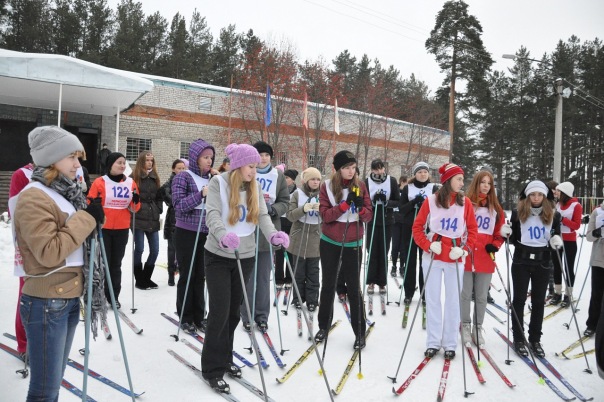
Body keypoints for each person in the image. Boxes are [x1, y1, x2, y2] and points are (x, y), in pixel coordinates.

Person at [13, 126, 104, 401]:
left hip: (67, 299)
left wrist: (90, 218)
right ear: (52, 159)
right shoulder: (33, 196)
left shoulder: (66, 193)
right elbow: (49, 251)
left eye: (78, 158)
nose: (78, 164)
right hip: (45, 304)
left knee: (53, 383)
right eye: (72, 157)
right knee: (45, 391)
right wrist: (86, 219)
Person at [201, 143, 288, 393]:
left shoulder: (254, 185)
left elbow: (261, 216)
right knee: (219, 311)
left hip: (246, 254)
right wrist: (221, 235)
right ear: (239, 165)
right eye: (251, 166)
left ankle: (225, 357)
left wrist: (272, 235)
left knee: (233, 313)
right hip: (218, 254)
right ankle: (212, 368)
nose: (255, 169)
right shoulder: (220, 183)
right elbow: (213, 214)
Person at [412, 163, 477, 359]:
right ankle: (433, 342)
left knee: (453, 301)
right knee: (432, 300)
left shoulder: (465, 203)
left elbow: (473, 231)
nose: (461, 182)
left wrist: (464, 250)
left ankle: (450, 343)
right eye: (458, 178)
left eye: (462, 178)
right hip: (433, 256)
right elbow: (417, 227)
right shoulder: (431, 201)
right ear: (448, 181)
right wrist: (427, 245)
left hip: (454, 257)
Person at [315, 150, 372, 349]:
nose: (350, 171)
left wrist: (361, 209)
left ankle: (359, 331)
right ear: (337, 169)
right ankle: (323, 325)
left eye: (353, 167)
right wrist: (344, 205)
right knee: (328, 285)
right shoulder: (327, 187)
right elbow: (325, 215)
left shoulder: (361, 186)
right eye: (346, 167)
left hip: (353, 242)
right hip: (330, 241)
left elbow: (368, 216)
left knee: (354, 288)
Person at [505, 180, 562, 357]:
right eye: (533, 194)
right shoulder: (517, 214)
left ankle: (535, 338)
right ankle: (519, 338)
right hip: (521, 261)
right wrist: (507, 233)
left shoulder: (553, 215)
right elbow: (513, 238)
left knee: (538, 302)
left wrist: (556, 241)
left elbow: (555, 235)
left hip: (542, 262)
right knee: (519, 300)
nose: (536, 198)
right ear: (527, 196)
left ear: (545, 197)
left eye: (539, 195)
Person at [240, 141, 289, 331]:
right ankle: (246, 314)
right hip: (247, 230)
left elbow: (285, 201)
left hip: (268, 231)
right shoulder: (245, 174)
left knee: (262, 278)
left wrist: (274, 210)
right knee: (247, 277)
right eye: (259, 155)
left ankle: (261, 316)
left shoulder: (278, 175)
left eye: (267, 155)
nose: (263, 158)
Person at [172, 140, 218, 333]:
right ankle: (185, 315)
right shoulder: (184, 177)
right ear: (195, 158)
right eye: (205, 157)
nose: (209, 161)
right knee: (188, 275)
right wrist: (200, 195)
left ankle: (200, 316)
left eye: (211, 158)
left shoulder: (212, 179)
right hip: (186, 232)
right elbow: (179, 205)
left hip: (206, 232)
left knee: (201, 276)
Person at [88, 152, 140, 309]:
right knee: (103, 263)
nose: (123, 166)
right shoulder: (99, 182)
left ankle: (113, 296)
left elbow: (135, 208)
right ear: (110, 165)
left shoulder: (131, 183)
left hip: (122, 229)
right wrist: (94, 205)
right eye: (119, 163)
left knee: (115, 264)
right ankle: (97, 295)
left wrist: (136, 201)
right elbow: (89, 201)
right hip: (103, 228)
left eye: (124, 163)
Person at [461, 170, 505, 347]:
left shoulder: (496, 208)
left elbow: (500, 232)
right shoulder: (466, 204)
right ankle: (464, 325)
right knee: (465, 294)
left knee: (481, 296)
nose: (486, 186)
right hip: (467, 253)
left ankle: (477, 327)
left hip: (485, 256)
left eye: (489, 183)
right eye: (483, 182)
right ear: (476, 183)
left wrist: (495, 244)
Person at [399, 161, 437, 305]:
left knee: (424, 262)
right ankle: (409, 292)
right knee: (410, 261)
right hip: (409, 228)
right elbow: (401, 209)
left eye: (425, 172)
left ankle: (425, 293)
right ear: (415, 174)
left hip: (426, 230)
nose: (423, 174)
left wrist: (426, 205)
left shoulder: (433, 188)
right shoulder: (408, 188)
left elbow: (439, 208)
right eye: (420, 172)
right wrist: (413, 202)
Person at [8, 162, 34, 357]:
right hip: (30, 244)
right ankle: (24, 343)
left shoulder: (63, 172)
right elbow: (14, 211)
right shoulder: (22, 174)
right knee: (27, 294)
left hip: (57, 246)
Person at [287, 167, 322, 310]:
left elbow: (330, 216)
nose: (315, 182)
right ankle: (298, 298)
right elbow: (290, 215)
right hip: (299, 235)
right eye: (313, 179)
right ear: (306, 180)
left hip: (315, 235)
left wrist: (323, 211)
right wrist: (303, 209)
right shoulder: (297, 194)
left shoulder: (323, 194)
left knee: (313, 271)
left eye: (318, 179)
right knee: (299, 270)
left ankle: (313, 299)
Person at [364, 159, 400, 294]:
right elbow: (364, 201)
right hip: (372, 220)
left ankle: (382, 282)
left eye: (381, 168)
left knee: (384, 251)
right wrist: (372, 202)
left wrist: (387, 202)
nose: (379, 172)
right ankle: (371, 281)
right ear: (372, 170)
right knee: (372, 251)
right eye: (376, 169)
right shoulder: (367, 182)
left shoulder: (392, 181)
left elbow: (397, 201)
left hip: (387, 220)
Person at [131, 150, 163, 290]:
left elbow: (159, 196)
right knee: (139, 249)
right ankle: (139, 279)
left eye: (152, 160)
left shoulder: (155, 177)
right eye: (147, 160)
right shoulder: (134, 177)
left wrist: (158, 208)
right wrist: (136, 206)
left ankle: (146, 277)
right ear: (141, 161)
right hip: (138, 217)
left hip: (152, 217)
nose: (149, 162)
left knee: (155, 250)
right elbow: (130, 196)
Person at [549, 182, 582, 307]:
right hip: (557, 239)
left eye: (559, 191)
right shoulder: (558, 204)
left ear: (565, 193)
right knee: (557, 266)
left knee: (568, 268)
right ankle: (557, 293)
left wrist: (562, 219)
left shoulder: (576, 205)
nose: (556, 193)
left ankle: (568, 294)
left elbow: (576, 225)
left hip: (569, 240)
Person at [160, 159, 186, 286]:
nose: (181, 170)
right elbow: (167, 196)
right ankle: (171, 274)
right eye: (179, 168)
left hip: (185, 218)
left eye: (183, 168)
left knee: (183, 248)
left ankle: (181, 272)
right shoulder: (169, 184)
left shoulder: (187, 181)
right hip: (173, 218)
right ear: (173, 169)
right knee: (172, 248)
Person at [275, 168, 299, 290]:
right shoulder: (279, 189)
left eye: (287, 178)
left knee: (290, 251)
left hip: (292, 223)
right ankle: (278, 278)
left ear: (293, 181)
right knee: (279, 251)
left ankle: (289, 277)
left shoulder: (297, 192)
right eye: (283, 177)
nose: (284, 180)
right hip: (280, 222)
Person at [584, 202, 604, 337]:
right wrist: (597, 232)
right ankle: (592, 324)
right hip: (599, 260)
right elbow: (588, 236)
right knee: (597, 294)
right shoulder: (598, 212)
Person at [390, 175, 408, 276]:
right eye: (404, 183)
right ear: (401, 183)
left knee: (403, 246)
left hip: (404, 222)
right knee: (395, 245)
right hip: (395, 222)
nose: (405, 185)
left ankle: (402, 266)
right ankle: (393, 266)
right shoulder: (396, 192)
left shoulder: (408, 193)